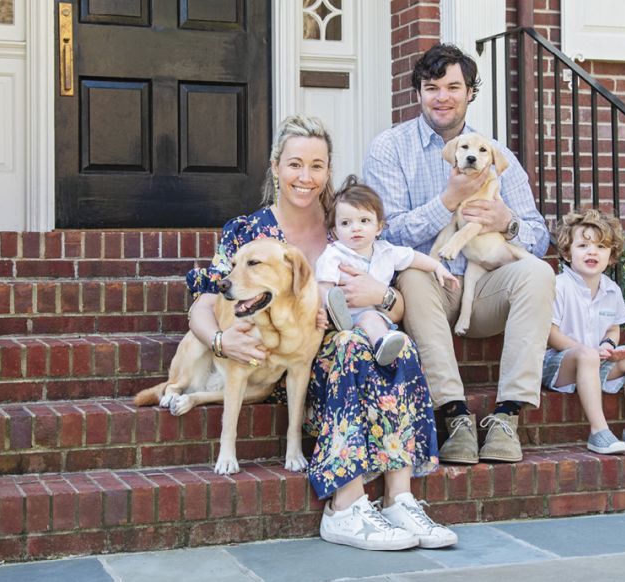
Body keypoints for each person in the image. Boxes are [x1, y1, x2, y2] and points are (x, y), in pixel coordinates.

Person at [186, 114, 457, 551]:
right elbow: (203, 301)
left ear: (328, 171)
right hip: (280, 368)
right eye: (295, 164)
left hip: (342, 347)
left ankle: (399, 498)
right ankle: (345, 506)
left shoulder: (348, 220)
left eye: (317, 166)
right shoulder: (248, 232)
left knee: (399, 346)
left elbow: (399, 306)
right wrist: (221, 340)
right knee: (351, 348)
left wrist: (381, 297)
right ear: (276, 167)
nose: (305, 177)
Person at [363, 43, 555, 465]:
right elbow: (385, 233)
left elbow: (539, 237)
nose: (443, 96)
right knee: (411, 275)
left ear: (470, 92)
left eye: (454, 86)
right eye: (432, 87)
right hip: (427, 288)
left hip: (484, 286)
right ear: (418, 92)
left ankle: (507, 415)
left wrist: (508, 222)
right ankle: (453, 416)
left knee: (539, 274)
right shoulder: (390, 148)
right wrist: (447, 201)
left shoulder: (495, 153)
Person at [544, 209, 625, 454]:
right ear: (567, 253)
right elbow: (551, 333)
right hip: (558, 366)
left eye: (601, 246)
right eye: (583, 245)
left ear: (611, 256)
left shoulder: (611, 290)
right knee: (588, 356)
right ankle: (599, 432)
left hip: (594, 361)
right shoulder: (559, 286)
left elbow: (613, 327)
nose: (592, 252)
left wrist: (609, 346)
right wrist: (586, 351)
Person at [316, 175, 460, 367]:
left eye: (364, 220)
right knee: (341, 300)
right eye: (345, 223)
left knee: (372, 318)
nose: (355, 228)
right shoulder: (334, 253)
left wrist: (438, 267)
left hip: (370, 310)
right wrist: (324, 309)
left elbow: (413, 257)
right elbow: (324, 285)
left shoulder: (386, 251)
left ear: (379, 227)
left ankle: (383, 343)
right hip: (339, 313)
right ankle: (343, 317)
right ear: (334, 232)